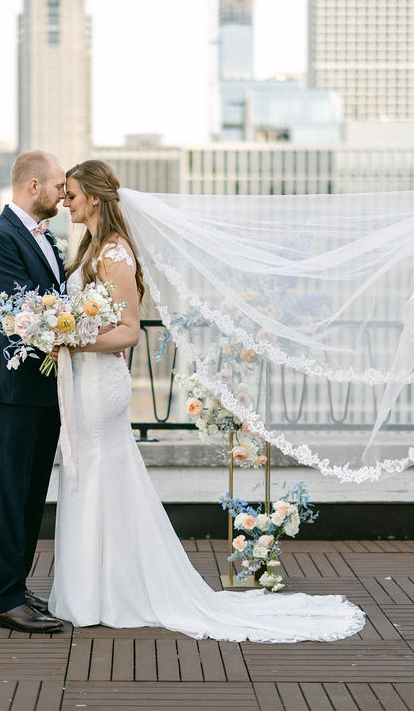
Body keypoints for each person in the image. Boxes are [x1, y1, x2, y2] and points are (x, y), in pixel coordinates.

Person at [48, 160, 366, 642]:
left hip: (99, 384)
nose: (64, 202)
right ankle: (95, 588)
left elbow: (129, 331)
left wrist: (69, 340)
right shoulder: (91, 248)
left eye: (70, 194)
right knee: (93, 479)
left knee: (95, 478)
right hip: (85, 381)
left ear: (92, 197)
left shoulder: (114, 253)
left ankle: (107, 591)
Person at [0, 150, 68, 634]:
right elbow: (23, 309)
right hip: (10, 387)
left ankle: (17, 584)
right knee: (10, 493)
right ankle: (3, 600)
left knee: (32, 495)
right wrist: (78, 319)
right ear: (34, 185)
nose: (63, 194)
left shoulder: (48, 238)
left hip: (44, 387)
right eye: (57, 186)